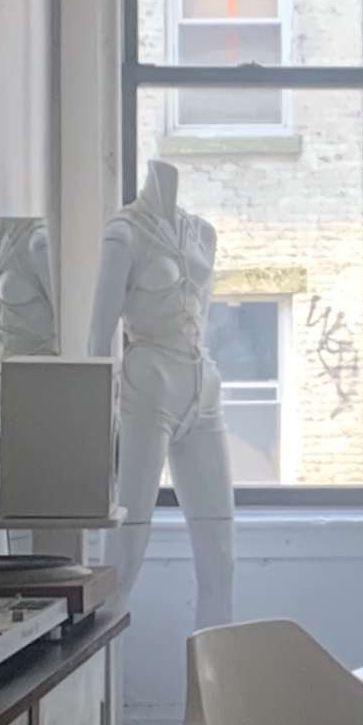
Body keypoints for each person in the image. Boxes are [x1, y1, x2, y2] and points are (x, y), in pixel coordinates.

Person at [94, 160, 234, 632]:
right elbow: (99, 339)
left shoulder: (202, 232)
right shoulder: (124, 233)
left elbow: (203, 313)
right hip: (148, 384)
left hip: (201, 383)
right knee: (128, 551)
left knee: (220, 558)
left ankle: (212, 701)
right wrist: (96, 422)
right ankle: (98, 691)